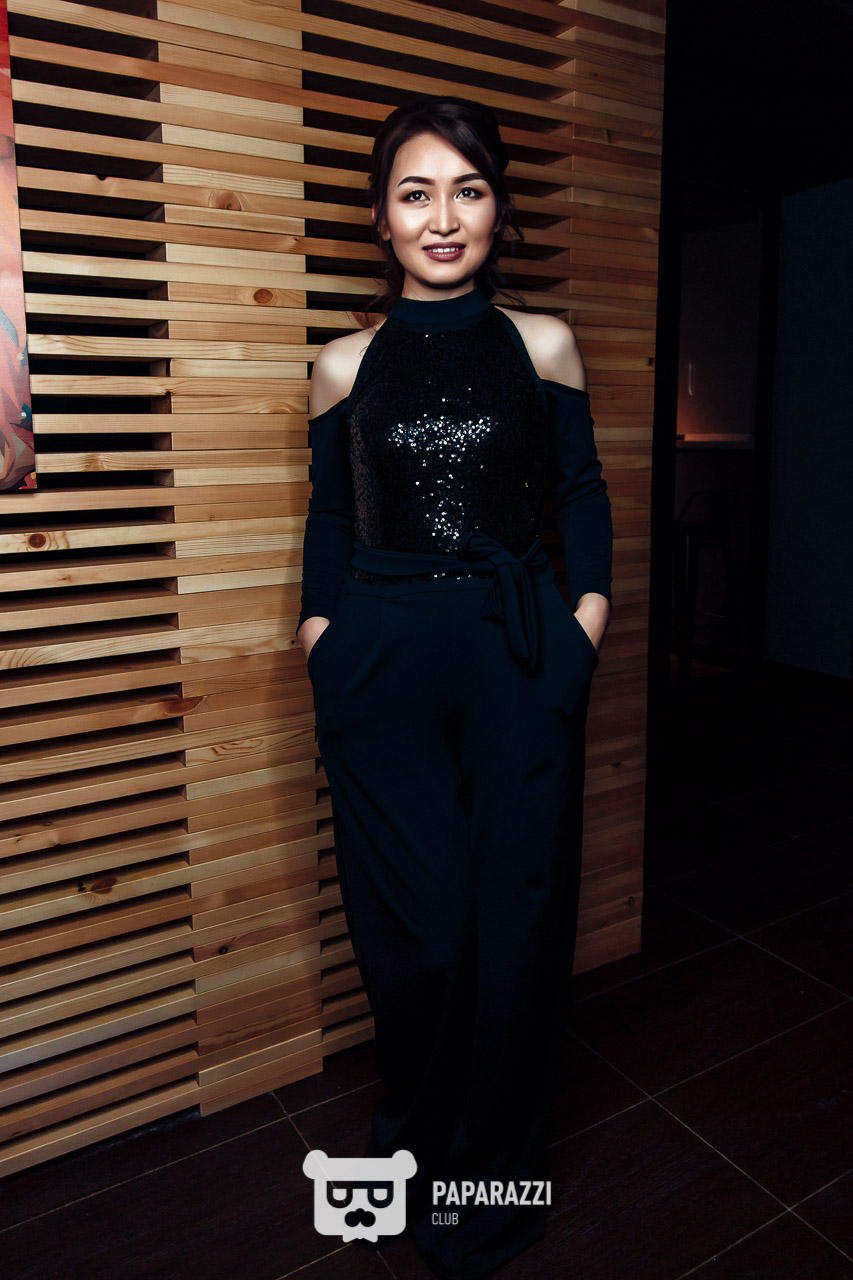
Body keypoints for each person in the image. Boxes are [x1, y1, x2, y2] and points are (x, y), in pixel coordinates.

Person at [296, 94, 612, 1280]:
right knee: (421, 936)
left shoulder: (544, 344)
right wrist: (319, 634)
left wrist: (582, 630)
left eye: (466, 190)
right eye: (415, 192)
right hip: (379, 656)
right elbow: (331, 516)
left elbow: (580, 495)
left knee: (516, 926)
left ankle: (489, 1176)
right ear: (381, 218)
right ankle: (420, 1138)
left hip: (516, 650)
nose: (442, 217)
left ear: (497, 209)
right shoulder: (342, 365)